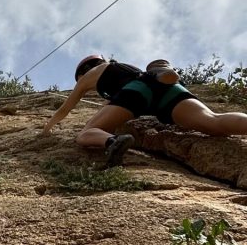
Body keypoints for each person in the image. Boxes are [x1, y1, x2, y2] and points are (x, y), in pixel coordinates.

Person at [42, 55, 247, 165]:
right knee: (213, 121)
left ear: (82, 73)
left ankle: (112, 141)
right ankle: (159, 68)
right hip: (162, 87)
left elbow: (65, 109)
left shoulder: (89, 76)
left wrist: (47, 128)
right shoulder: (121, 66)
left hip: (136, 94)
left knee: (86, 133)